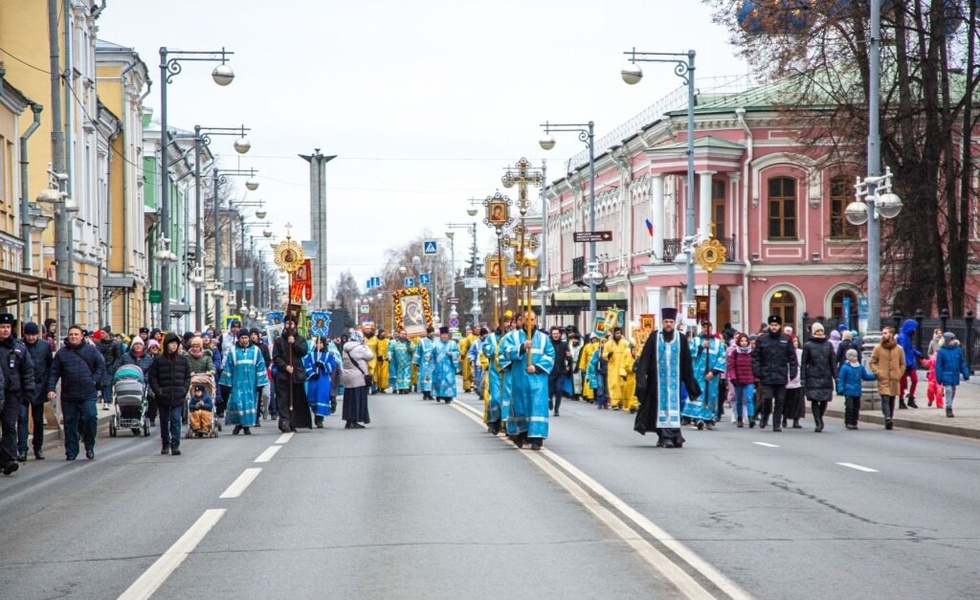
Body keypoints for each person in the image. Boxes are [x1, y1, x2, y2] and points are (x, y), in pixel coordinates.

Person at [633, 307, 701, 448]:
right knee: (658, 410)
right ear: (662, 322)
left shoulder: (681, 339)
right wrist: (641, 380)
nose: (668, 324)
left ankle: (671, 436)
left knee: (673, 409)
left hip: (675, 382)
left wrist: (691, 385)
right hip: (656, 383)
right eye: (666, 322)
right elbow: (645, 359)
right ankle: (665, 437)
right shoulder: (654, 337)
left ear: (674, 323)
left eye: (671, 321)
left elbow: (686, 363)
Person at [498, 311, 555, 450]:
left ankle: (537, 438)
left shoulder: (543, 338)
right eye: (527, 319)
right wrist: (522, 347)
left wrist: (536, 367)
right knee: (520, 405)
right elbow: (505, 352)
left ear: (536, 320)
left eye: (533, 319)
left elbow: (551, 355)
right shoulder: (513, 336)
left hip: (538, 379)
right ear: (522, 320)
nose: (530, 322)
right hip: (520, 378)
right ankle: (522, 434)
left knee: (538, 406)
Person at [48, 325, 106, 461]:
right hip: (69, 394)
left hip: (88, 392)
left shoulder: (91, 350)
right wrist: (51, 389)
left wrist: (93, 380)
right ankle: (71, 450)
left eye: (76, 334)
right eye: (71, 334)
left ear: (82, 336)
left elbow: (101, 366)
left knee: (90, 417)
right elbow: (54, 372)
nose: (73, 337)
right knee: (70, 422)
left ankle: (89, 445)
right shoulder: (62, 353)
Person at [752, 314, 798, 431]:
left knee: (780, 400)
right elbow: (756, 356)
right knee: (767, 398)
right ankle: (765, 416)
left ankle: (776, 424)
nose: (774, 327)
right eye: (772, 325)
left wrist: (793, 372)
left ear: (780, 326)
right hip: (766, 374)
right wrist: (757, 371)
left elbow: (792, 357)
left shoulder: (786, 339)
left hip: (781, 374)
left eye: (776, 325)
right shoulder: (762, 339)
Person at [219, 328, 269, 435]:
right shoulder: (233, 351)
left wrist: (261, 382)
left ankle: (246, 427)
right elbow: (228, 366)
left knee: (249, 404)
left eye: (246, 337)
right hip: (237, 382)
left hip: (251, 383)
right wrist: (227, 383)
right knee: (237, 403)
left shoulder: (255, 350)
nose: (244, 340)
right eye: (242, 338)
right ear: (239, 338)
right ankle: (238, 424)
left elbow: (261, 366)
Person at [148, 333, 191, 456]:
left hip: (178, 395)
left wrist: (184, 389)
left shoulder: (183, 360)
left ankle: (175, 444)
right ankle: (165, 443)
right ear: (166, 344)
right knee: (164, 421)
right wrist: (158, 391)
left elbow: (187, 377)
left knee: (175, 420)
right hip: (163, 397)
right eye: (172, 343)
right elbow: (153, 377)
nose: (174, 345)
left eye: (176, 343)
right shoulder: (158, 361)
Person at [684, 321, 726, 429]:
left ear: (712, 328)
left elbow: (722, 358)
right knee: (699, 395)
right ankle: (699, 418)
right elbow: (689, 353)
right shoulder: (695, 341)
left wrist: (713, 372)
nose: (706, 329)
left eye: (708, 327)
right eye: (704, 327)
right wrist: (701, 347)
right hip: (698, 375)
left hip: (712, 376)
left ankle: (709, 417)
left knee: (710, 395)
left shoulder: (718, 343)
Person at [19, 322, 52, 461]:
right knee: (22, 419)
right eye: (28, 335)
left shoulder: (45, 346)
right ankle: (22, 449)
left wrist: (48, 386)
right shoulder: (19, 345)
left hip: (39, 387)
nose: (31, 338)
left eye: (33, 335)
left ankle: (38, 447)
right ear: (24, 334)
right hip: (22, 388)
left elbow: (50, 366)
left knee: (38, 420)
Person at [273, 314, 311, 432]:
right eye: (287, 323)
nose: (289, 325)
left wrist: (293, 343)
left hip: (296, 375)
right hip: (283, 375)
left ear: (295, 325)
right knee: (283, 399)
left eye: (292, 323)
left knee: (295, 399)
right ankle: (284, 420)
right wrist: (285, 367)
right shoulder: (279, 341)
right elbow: (276, 357)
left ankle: (293, 422)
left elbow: (303, 352)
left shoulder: (300, 339)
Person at [800, 322, 836, 432]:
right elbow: (804, 363)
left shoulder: (828, 345)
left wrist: (836, 376)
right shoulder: (808, 345)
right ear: (813, 332)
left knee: (824, 400)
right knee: (815, 400)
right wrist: (803, 378)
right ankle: (817, 421)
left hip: (826, 375)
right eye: (817, 331)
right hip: (813, 375)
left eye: (821, 331)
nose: (820, 333)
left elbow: (833, 361)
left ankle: (820, 416)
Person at [870, 325, 905, 430]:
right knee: (885, 399)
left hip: (894, 378)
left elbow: (903, 364)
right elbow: (872, 362)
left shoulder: (899, 349)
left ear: (891, 334)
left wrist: (899, 374)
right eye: (883, 333)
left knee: (892, 400)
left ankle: (890, 418)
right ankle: (887, 418)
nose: (883, 335)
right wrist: (878, 372)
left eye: (885, 333)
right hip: (883, 378)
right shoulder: (878, 348)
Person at [482, 315, 512, 435]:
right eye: (505, 322)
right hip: (495, 372)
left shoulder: (511, 337)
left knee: (507, 400)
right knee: (495, 399)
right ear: (500, 324)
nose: (507, 324)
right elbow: (486, 349)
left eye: (509, 322)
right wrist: (497, 348)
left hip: (508, 372)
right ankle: (494, 420)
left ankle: (505, 423)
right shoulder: (492, 337)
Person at [341, 330, 374, 429]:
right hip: (358, 378)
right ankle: (354, 420)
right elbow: (370, 356)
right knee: (357, 399)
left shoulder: (345, 348)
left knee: (348, 399)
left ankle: (348, 420)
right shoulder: (360, 348)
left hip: (347, 377)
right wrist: (365, 346)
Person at [837, 348, 876, 429]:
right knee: (849, 407)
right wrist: (840, 389)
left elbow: (865, 376)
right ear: (849, 357)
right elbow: (841, 379)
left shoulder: (860, 367)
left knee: (856, 407)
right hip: (848, 391)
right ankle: (848, 422)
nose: (855, 358)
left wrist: (875, 376)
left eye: (856, 356)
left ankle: (854, 422)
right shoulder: (845, 367)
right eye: (853, 356)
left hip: (857, 391)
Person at [303, 336, 337, 427]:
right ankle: (315, 413)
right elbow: (306, 364)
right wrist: (312, 373)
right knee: (313, 397)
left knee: (321, 397)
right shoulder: (310, 355)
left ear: (324, 344)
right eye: (317, 343)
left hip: (323, 380)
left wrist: (323, 366)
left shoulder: (328, 355)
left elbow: (332, 365)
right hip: (314, 379)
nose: (319, 345)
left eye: (321, 343)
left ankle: (319, 418)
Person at [934, 331, 970, 418]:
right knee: (949, 390)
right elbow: (938, 365)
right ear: (947, 340)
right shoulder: (941, 351)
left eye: (953, 339)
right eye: (951, 339)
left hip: (954, 374)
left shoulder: (957, 350)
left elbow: (962, 362)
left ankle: (949, 403)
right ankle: (949, 408)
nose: (953, 341)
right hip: (945, 374)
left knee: (953, 391)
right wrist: (938, 377)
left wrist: (965, 373)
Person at [727, 333, 756, 428]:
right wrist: (733, 378)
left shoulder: (751, 352)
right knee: (739, 400)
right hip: (738, 379)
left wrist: (756, 378)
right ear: (738, 342)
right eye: (742, 341)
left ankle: (751, 417)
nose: (744, 343)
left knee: (749, 399)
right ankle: (739, 418)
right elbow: (731, 366)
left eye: (745, 341)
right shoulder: (735, 353)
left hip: (749, 378)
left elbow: (755, 366)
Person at [603, 327, 632, 412]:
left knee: (622, 384)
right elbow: (604, 355)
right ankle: (614, 403)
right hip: (613, 367)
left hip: (622, 366)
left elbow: (631, 350)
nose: (618, 335)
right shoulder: (609, 344)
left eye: (619, 333)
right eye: (616, 333)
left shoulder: (625, 343)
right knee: (614, 384)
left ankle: (622, 402)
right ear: (614, 334)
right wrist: (609, 355)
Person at [94, 325, 122, 411]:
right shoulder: (98, 344)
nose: (101, 334)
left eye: (103, 333)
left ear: (108, 333)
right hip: (101, 366)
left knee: (108, 383)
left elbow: (118, 356)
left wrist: (114, 366)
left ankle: (106, 401)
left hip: (110, 366)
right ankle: (104, 399)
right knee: (102, 383)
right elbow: (97, 355)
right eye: (101, 333)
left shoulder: (115, 344)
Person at [430, 327, 460, 403]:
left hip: (449, 366)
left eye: (446, 334)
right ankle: (439, 395)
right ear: (440, 335)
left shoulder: (453, 343)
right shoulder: (435, 343)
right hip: (438, 366)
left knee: (448, 381)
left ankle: (448, 397)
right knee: (438, 381)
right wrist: (429, 358)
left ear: (448, 335)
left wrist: (452, 354)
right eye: (443, 335)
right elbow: (431, 353)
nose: (444, 336)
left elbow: (458, 352)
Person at [896, 318, 920, 408]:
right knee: (903, 383)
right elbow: (903, 350)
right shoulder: (902, 337)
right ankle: (901, 400)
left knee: (914, 380)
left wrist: (917, 354)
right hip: (905, 363)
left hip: (909, 362)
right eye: (913, 328)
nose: (914, 330)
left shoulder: (907, 337)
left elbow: (909, 350)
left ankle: (910, 398)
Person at [548, 326, 571, 417]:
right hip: (551, 371)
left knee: (559, 389)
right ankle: (549, 401)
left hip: (561, 371)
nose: (555, 335)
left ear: (560, 334)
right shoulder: (549, 344)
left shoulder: (564, 344)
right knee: (550, 391)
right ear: (551, 335)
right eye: (554, 334)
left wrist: (569, 356)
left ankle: (557, 409)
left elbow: (568, 356)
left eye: (557, 334)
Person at [783, 335, 804, 428]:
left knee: (798, 401)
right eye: (793, 341)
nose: (795, 343)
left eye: (796, 341)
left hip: (798, 380)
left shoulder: (800, 352)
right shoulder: (784, 352)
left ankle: (796, 420)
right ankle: (784, 418)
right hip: (787, 380)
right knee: (786, 401)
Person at [387, 329, 415, 394]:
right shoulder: (393, 342)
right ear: (399, 334)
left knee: (406, 374)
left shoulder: (408, 342)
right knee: (399, 375)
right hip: (397, 362)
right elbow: (390, 350)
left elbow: (413, 349)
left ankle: (406, 387)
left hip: (407, 362)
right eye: (402, 333)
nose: (403, 335)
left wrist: (409, 342)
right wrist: (389, 357)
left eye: (405, 334)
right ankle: (400, 388)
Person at [413, 327, 436, 400]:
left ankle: (431, 393)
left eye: (433, 333)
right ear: (428, 333)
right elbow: (418, 352)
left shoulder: (436, 341)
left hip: (434, 363)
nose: (433, 334)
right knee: (426, 378)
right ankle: (425, 393)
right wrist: (417, 363)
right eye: (431, 333)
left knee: (432, 378)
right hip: (425, 363)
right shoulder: (422, 341)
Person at [458, 325, 478, 393]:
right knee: (467, 372)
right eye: (476, 329)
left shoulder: (480, 337)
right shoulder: (468, 338)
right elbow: (464, 348)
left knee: (476, 372)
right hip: (468, 356)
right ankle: (467, 387)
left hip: (478, 357)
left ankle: (476, 385)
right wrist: (461, 358)